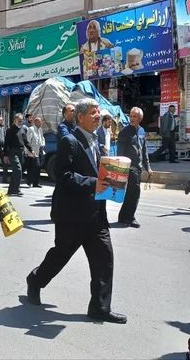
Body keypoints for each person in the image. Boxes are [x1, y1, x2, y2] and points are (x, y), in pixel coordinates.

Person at [26, 98, 127, 324]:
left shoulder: (98, 140)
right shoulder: (69, 141)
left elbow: (99, 172)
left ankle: (100, 308)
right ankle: (35, 280)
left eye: (98, 111)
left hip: (95, 214)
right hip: (72, 215)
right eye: (93, 112)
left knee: (104, 258)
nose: (97, 116)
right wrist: (94, 183)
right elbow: (63, 177)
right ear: (80, 117)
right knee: (61, 255)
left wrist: (114, 182)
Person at [117, 107, 151, 228]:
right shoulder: (124, 132)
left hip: (139, 166)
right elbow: (119, 153)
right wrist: (121, 169)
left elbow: (144, 149)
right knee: (135, 192)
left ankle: (123, 216)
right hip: (129, 167)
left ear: (140, 118)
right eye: (130, 116)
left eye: (134, 116)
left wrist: (148, 167)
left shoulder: (142, 131)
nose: (132, 119)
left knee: (131, 193)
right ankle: (129, 217)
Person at [4, 113, 33, 196]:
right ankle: (17, 189)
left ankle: (11, 190)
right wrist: (5, 155)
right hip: (12, 152)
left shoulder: (23, 129)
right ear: (15, 120)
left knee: (15, 171)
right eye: (19, 120)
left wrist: (31, 150)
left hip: (20, 152)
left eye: (21, 120)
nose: (21, 122)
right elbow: (6, 143)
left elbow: (25, 141)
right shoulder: (10, 130)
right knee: (18, 170)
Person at [26, 116, 45, 188]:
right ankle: (29, 181)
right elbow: (28, 140)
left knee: (38, 167)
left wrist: (43, 144)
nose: (41, 123)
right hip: (32, 151)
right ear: (36, 122)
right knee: (33, 167)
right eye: (40, 122)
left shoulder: (40, 129)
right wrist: (29, 151)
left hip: (39, 150)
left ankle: (36, 183)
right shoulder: (31, 129)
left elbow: (42, 138)